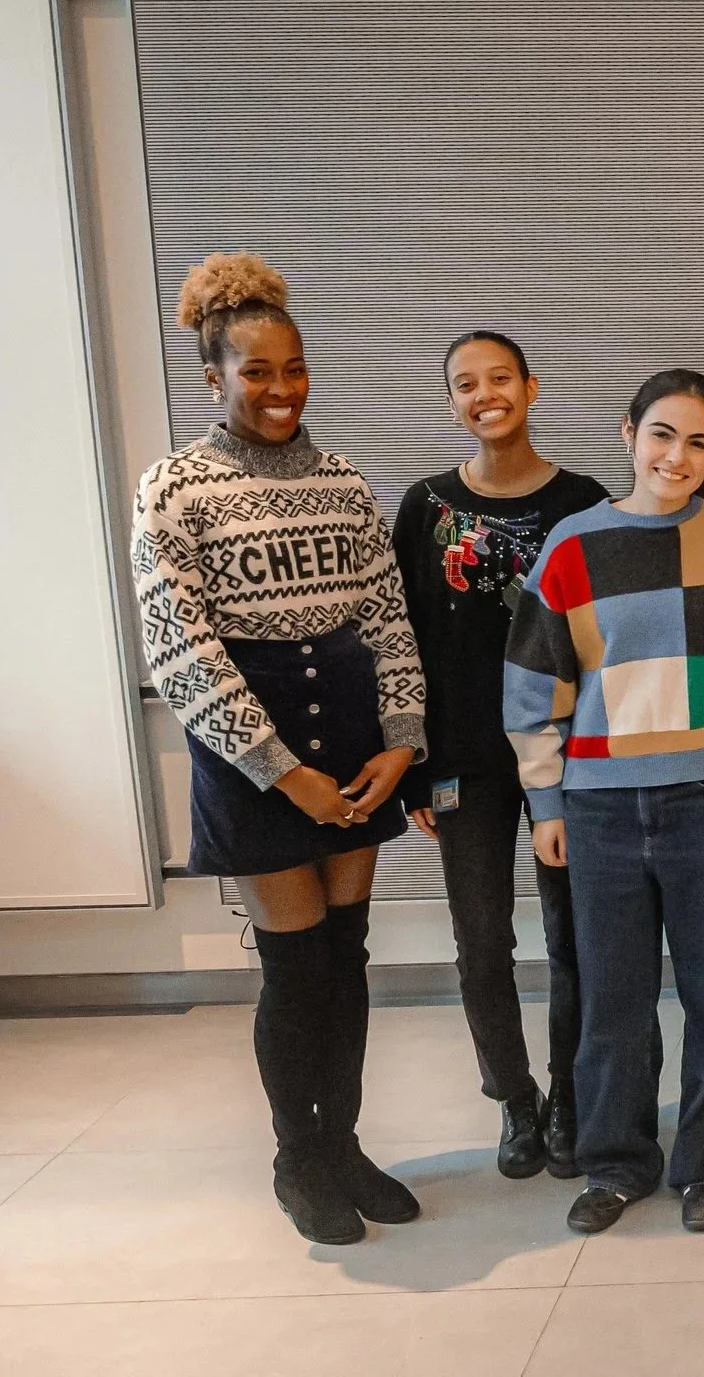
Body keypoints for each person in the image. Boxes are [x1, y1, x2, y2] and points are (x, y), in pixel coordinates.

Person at [133, 252, 427, 1245]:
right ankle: (295, 1159)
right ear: (214, 376)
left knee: (347, 957)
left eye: (294, 368)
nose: (280, 389)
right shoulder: (175, 487)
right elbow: (179, 647)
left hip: (351, 740)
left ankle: (341, 1141)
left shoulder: (343, 481)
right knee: (296, 968)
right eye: (256, 372)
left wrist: (401, 740)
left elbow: (387, 617)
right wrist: (280, 770)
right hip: (258, 755)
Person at [503, 369, 704, 1237]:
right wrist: (546, 802)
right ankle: (618, 1161)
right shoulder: (573, 545)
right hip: (601, 808)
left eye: (698, 441)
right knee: (613, 999)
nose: (676, 455)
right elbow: (535, 680)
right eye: (661, 433)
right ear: (627, 433)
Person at [393, 330, 608, 1183]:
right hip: (463, 761)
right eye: (464, 384)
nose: (484, 394)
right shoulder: (426, 504)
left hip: (566, 755)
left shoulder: (584, 501)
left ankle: (569, 1094)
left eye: (499, 378)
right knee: (481, 938)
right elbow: (400, 637)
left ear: (532, 386)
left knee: (574, 937)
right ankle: (514, 1099)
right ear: (452, 402)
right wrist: (411, 762)